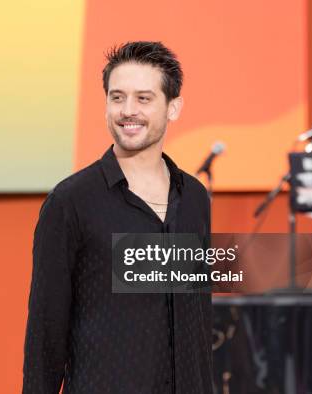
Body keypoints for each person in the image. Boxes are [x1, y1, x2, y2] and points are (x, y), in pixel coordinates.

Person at [23, 41, 212, 394]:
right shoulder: (71, 202)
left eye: (144, 98)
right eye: (117, 97)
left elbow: (198, 322)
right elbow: (45, 331)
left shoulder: (196, 199)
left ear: (174, 107)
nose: (128, 111)